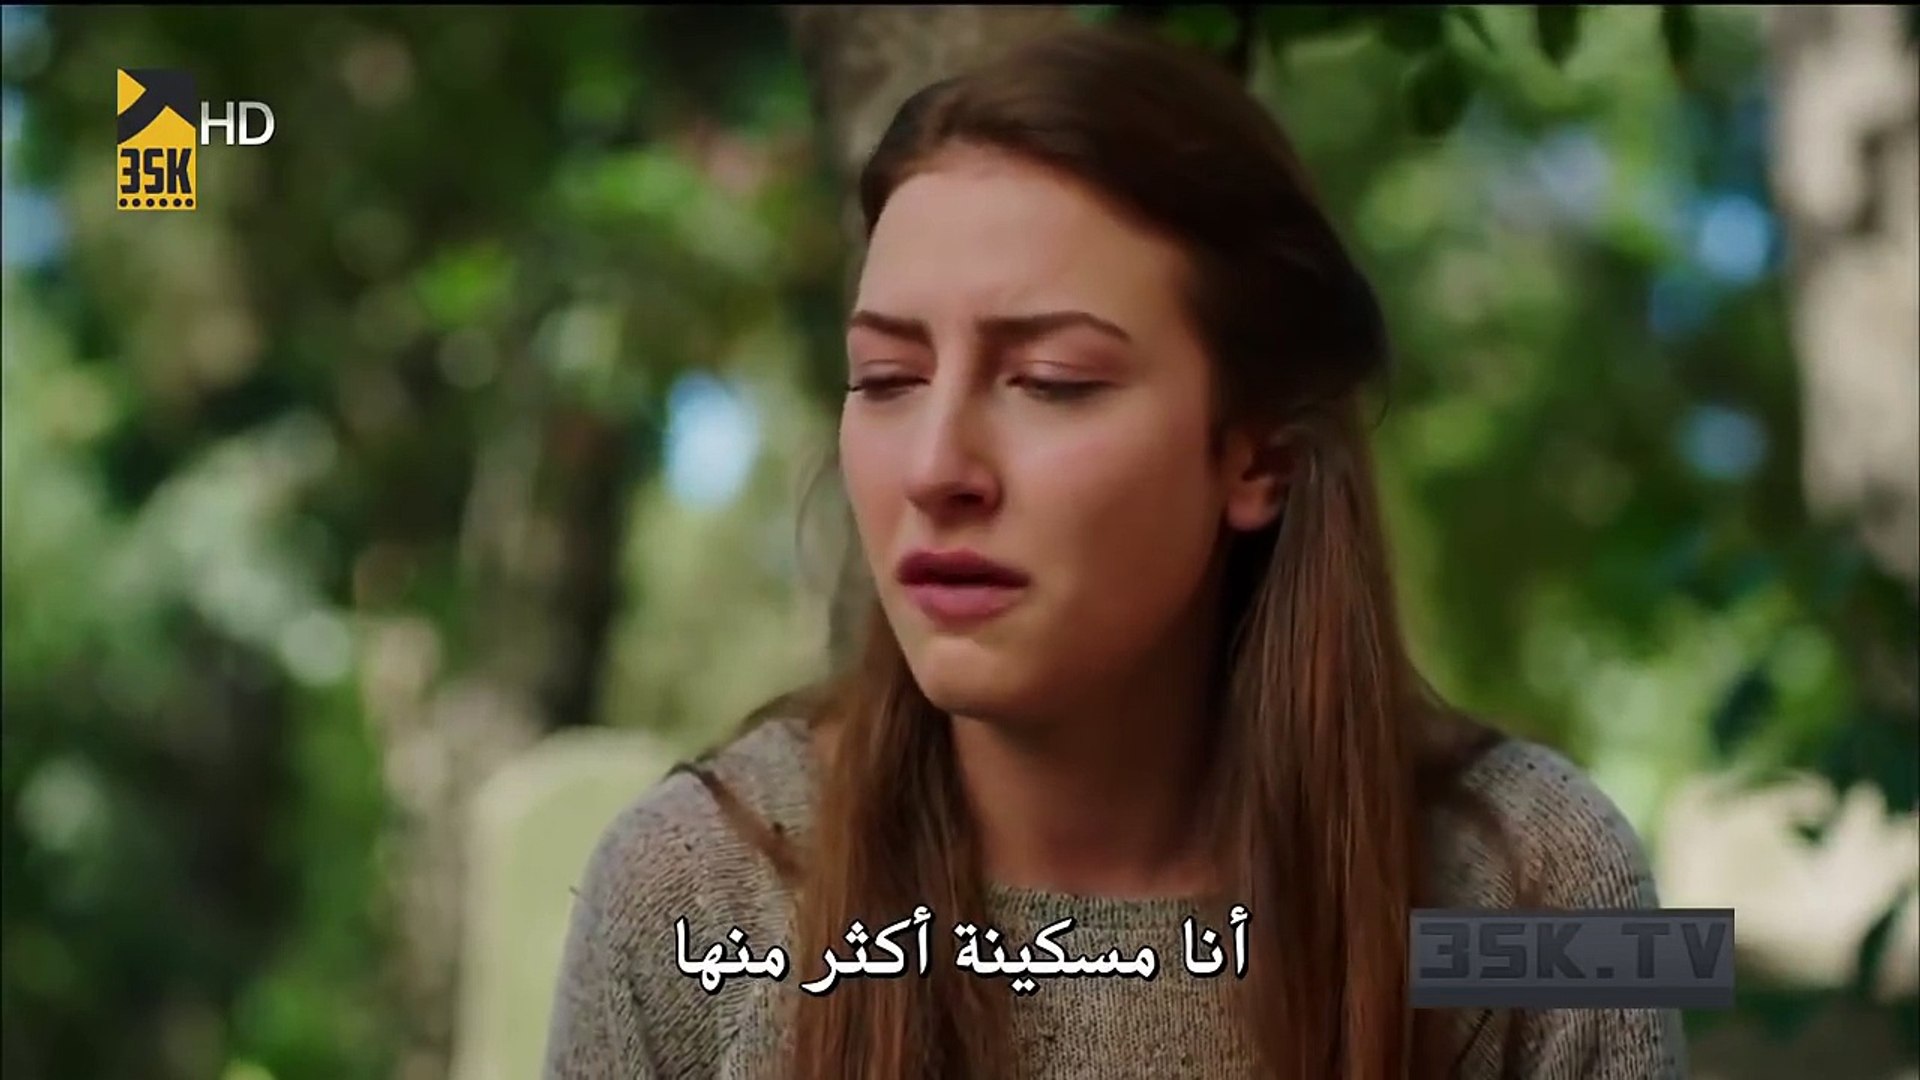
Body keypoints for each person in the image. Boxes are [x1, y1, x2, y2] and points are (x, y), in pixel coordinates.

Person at [543, 23, 1684, 1080]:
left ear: (1256, 457)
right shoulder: (697, 891)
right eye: (887, 379)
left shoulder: (1545, 893)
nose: (938, 467)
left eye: (1051, 381)